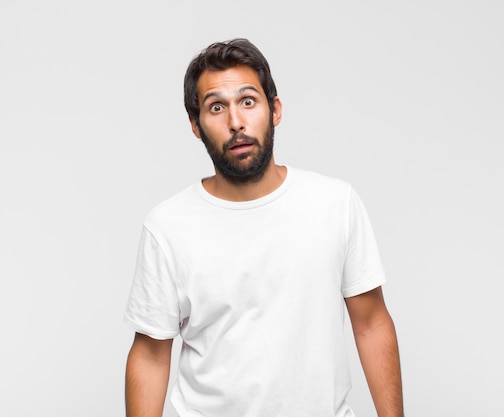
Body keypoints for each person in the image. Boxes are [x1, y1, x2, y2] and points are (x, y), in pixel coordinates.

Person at [124, 38, 403, 417]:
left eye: (248, 102)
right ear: (195, 125)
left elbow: (371, 322)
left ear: (275, 110)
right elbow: (151, 355)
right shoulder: (169, 227)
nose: (235, 122)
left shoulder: (335, 204)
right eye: (216, 107)